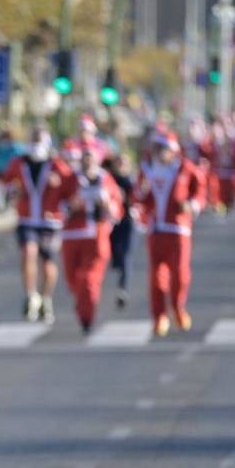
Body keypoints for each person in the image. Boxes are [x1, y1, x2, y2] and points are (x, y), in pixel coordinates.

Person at [0, 125, 75, 323]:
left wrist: (59, 184)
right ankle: (31, 296)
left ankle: (46, 298)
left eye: (39, 140)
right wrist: (12, 191)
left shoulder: (56, 164)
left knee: (48, 263)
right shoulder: (19, 162)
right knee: (28, 253)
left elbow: (71, 188)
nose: (36, 145)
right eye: (33, 140)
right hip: (27, 219)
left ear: (47, 142)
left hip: (50, 221)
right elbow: (7, 182)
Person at [136, 132, 203, 337]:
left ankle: (177, 307)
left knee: (180, 275)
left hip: (178, 230)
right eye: (156, 148)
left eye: (162, 148)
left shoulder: (185, 168)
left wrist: (192, 205)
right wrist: (140, 192)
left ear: (172, 150)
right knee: (156, 277)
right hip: (156, 230)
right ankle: (159, 316)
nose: (158, 153)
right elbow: (138, 198)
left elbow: (200, 192)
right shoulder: (146, 170)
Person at [61, 148, 122, 332]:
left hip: (97, 235)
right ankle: (82, 302)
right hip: (72, 235)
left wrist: (107, 204)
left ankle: (87, 317)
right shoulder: (70, 179)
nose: (88, 163)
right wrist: (72, 205)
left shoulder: (106, 180)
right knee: (73, 280)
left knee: (89, 279)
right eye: (84, 159)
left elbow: (117, 211)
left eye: (91, 159)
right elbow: (56, 205)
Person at [105, 153, 137, 309]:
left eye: (124, 163)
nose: (120, 166)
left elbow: (139, 199)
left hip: (127, 222)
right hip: (111, 223)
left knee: (126, 255)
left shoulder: (131, 182)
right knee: (114, 254)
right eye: (118, 163)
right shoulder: (108, 180)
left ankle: (123, 289)